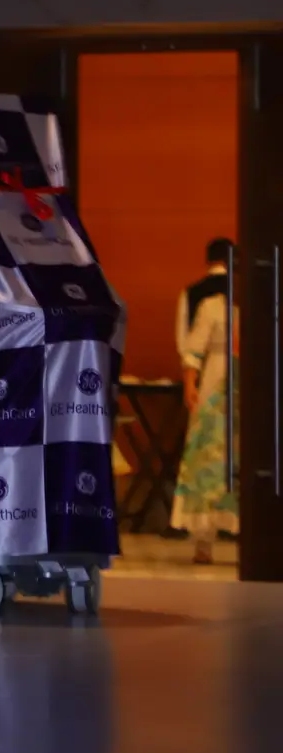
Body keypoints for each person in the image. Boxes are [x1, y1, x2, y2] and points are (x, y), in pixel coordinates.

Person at [171, 238, 239, 565]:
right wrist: (190, 384)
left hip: (244, 382)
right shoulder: (211, 305)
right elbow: (194, 350)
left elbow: (185, 345)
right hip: (218, 380)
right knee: (210, 457)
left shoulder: (259, 303)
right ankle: (204, 539)